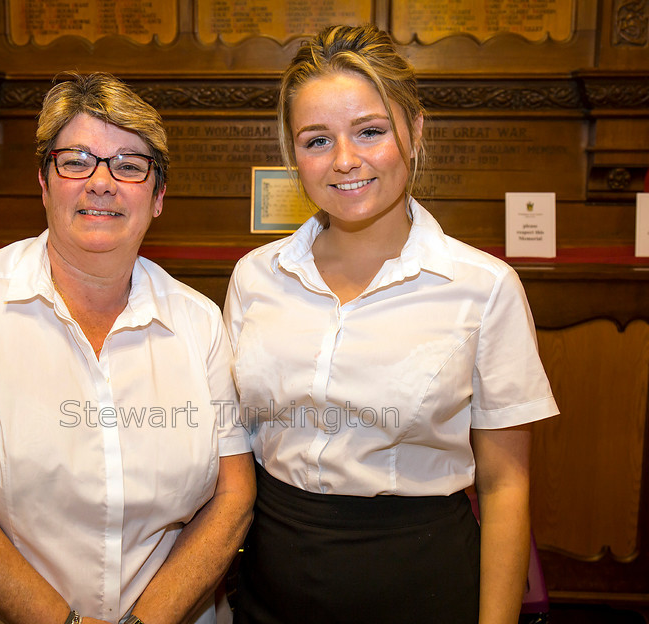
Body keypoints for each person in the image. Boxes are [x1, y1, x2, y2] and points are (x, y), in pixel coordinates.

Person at [0, 72, 255, 624]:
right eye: (76, 160)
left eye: (129, 165)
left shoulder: (200, 322)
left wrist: (144, 622)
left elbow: (234, 496)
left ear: (158, 196)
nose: (101, 183)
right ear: (44, 178)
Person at [223, 24, 558, 624]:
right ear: (291, 153)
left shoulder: (482, 288)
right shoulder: (255, 277)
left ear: (414, 132)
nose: (345, 160)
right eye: (317, 139)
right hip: (270, 577)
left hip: (420, 580)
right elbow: (235, 447)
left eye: (370, 131)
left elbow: (506, 485)